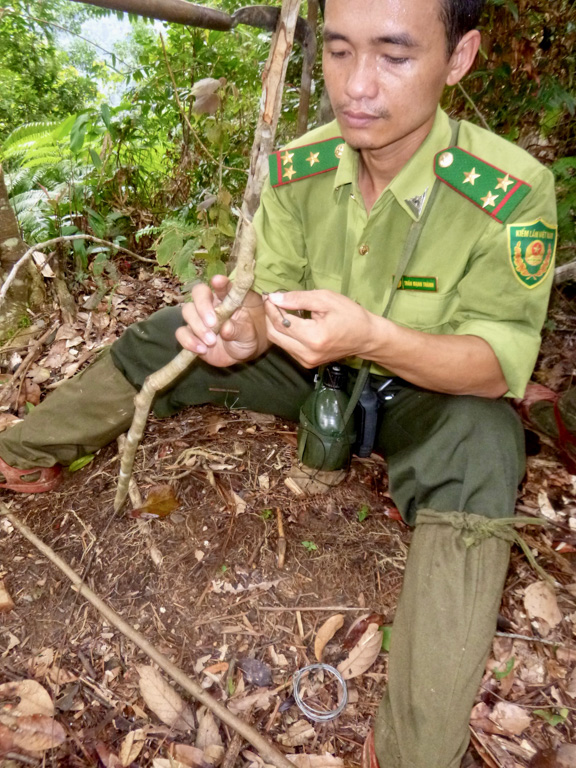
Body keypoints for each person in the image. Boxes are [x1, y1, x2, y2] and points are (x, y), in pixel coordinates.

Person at [0, 0, 557, 765]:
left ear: (458, 59)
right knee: (172, 333)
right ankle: (25, 449)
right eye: (338, 52)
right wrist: (243, 327)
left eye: (394, 56)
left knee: (486, 445)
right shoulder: (302, 161)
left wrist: (375, 337)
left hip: (429, 393)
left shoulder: (508, 188)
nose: (357, 85)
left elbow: (497, 365)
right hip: (309, 373)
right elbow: (270, 298)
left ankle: (415, 749)